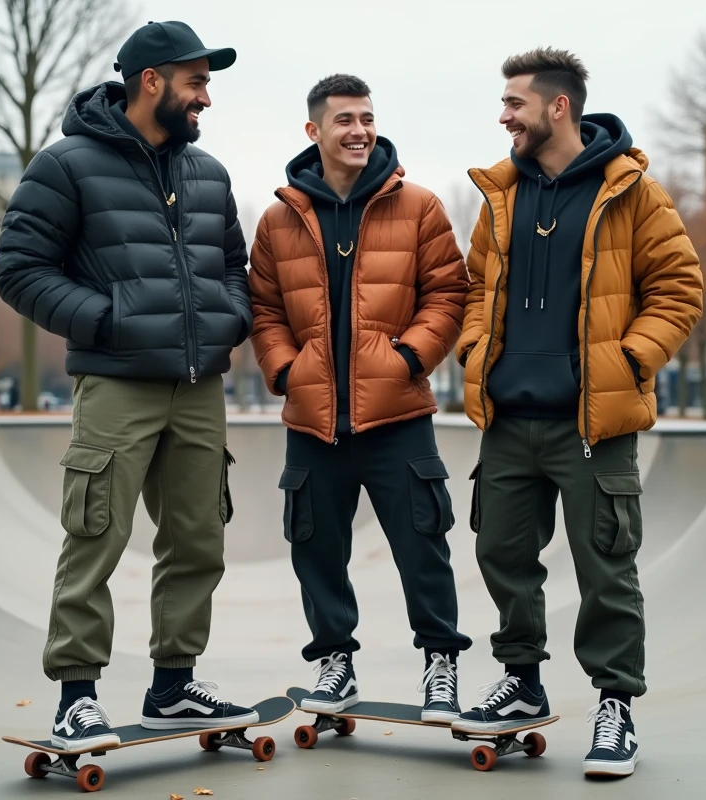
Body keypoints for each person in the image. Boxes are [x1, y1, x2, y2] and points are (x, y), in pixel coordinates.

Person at [0, 20, 258, 753]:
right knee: (96, 536)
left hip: (199, 385)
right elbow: (18, 270)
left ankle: (174, 686)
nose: (205, 97)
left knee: (197, 537)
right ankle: (76, 696)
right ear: (153, 81)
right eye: (196, 81)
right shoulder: (66, 165)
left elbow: (232, 266)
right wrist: (108, 320)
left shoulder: (208, 173)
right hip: (117, 385)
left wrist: (228, 319)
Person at [453, 48, 703, 778]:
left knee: (605, 569)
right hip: (508, 420)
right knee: (501, 554)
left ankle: (616, 706)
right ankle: (522, 685)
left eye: (514, 104)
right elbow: (476, 287)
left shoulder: (633, 192)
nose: (504, 116)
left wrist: (626, 362)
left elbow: (679, 288)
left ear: (558, 107)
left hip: (592, 423)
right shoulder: (499, 195)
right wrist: (475, 350)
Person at [247, 74, 473, 722]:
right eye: (344, 119)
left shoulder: (420, 206)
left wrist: (409, 359)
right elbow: (263, 307)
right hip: (313, 420)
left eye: (367, 118)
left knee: (424, 546)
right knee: (315, 549)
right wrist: (286, 370)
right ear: (313, 131)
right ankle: (334, 663)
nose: (359, 130)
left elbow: (448, 294)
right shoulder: (278, 219)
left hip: (397, 415)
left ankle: (441, 663)